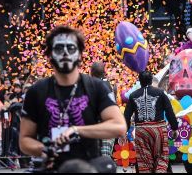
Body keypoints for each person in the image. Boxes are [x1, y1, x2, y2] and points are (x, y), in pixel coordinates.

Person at [19, 26, 126, 171]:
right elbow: (24, 139)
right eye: (58, 48)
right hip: (52, 167)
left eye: (70, 48)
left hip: (88, 167)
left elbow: (119, 126)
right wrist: (44, 149)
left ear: (80, 55)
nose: (65, 53)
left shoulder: (96, 87)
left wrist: (77, 130)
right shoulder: (37, 91)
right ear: (49, 55)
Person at [123, 70, 178, 173]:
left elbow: (126, 116)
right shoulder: (160, 93)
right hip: (158, 131)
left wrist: (124, 132)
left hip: (141, 132)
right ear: (151, 80)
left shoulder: (133, 95)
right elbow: (170, 111)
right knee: (161, 156)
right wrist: (174, 128)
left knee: (144, 160)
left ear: (140, 81)